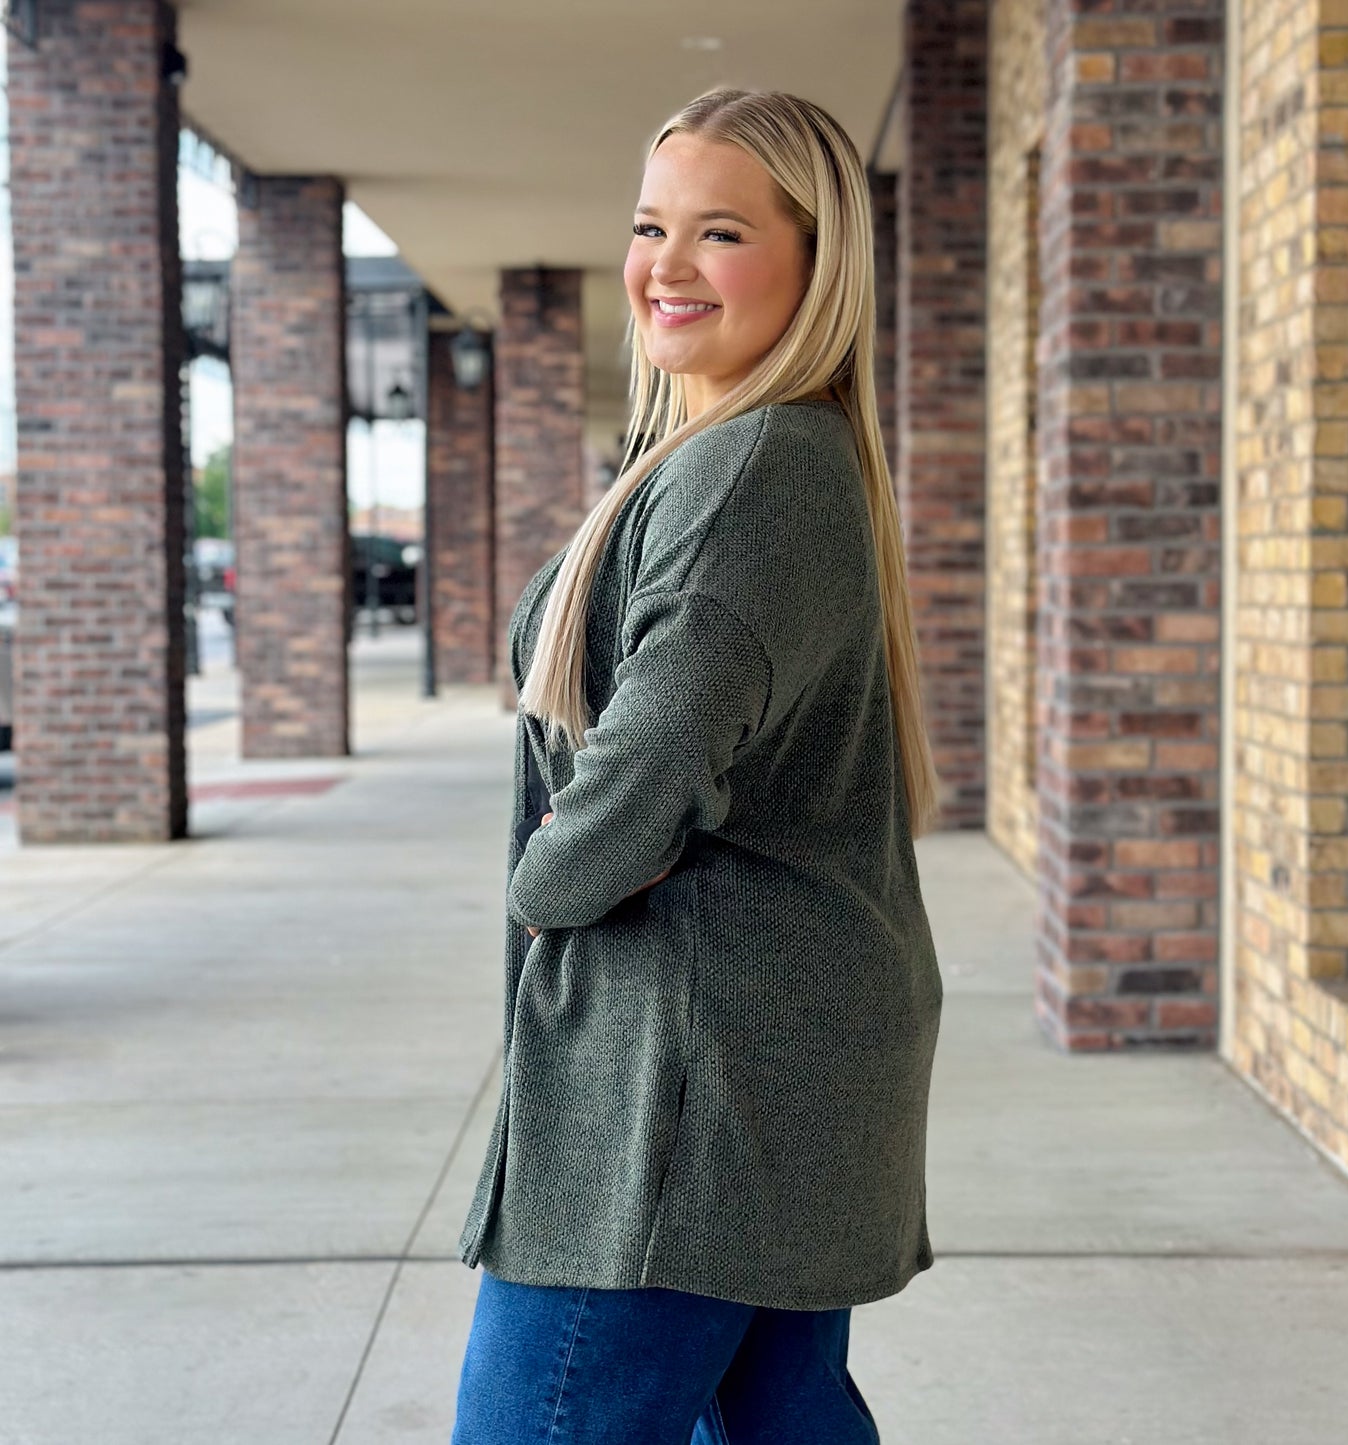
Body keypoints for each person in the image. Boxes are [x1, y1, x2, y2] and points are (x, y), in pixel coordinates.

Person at [451, 86, 945, 1445]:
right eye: (649, 224)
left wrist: (553, 874)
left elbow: (658, 753)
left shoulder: (749, 471)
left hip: (683, 1078)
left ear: (812, 260)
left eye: (717, 231)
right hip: (751, 1054)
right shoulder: (742, 454)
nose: (664, 265)